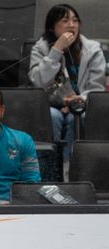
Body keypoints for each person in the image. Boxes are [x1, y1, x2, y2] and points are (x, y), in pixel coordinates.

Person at [28, 3, 106, 163]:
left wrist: (79, 100)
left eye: (75, 20)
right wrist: (56, 50)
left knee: (77, 117)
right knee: (52, 116)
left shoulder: (92, 50)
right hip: (51, 104)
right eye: (65, 20)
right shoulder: (40, 48)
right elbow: (39, 83)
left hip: (82, 104)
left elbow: (96, 89)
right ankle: (52, 165)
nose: (71, 25)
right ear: (51, 27)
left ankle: (72, 165)